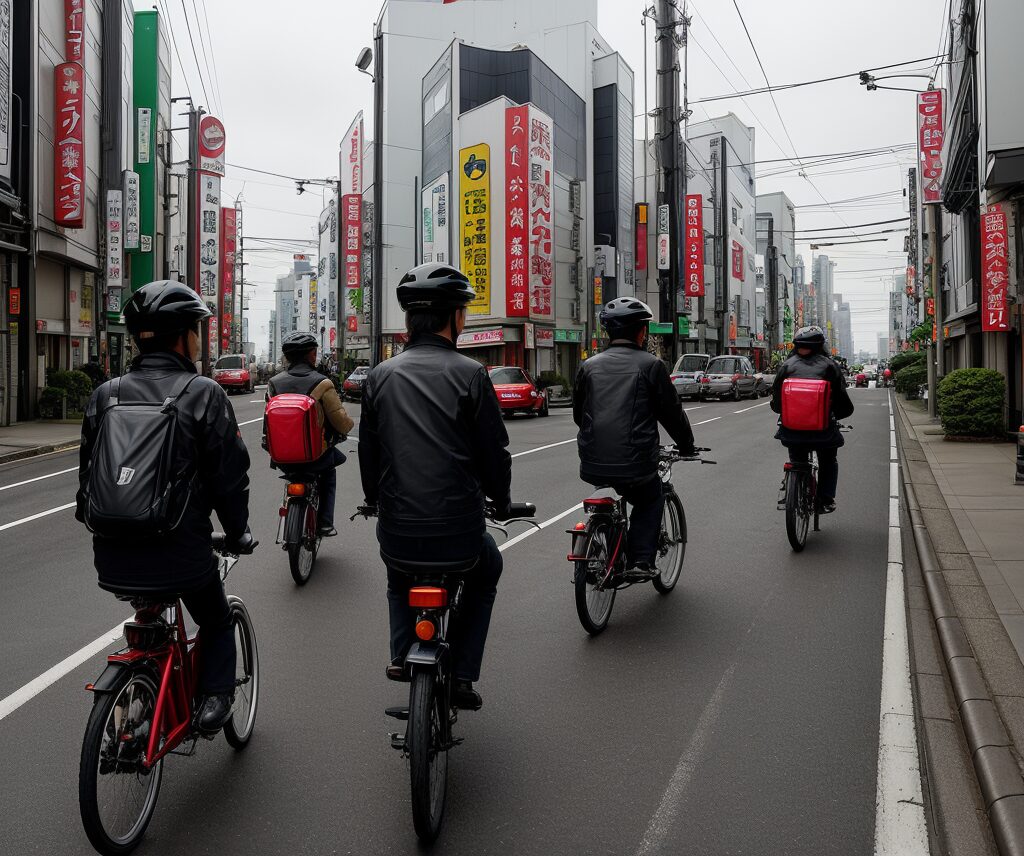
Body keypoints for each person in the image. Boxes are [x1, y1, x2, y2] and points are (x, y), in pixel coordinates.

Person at [76, 281, 255, 734]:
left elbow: (87, 486)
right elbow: (228, 479)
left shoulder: (106, 394)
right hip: (181, 556)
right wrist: (237, 533)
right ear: (182, 336)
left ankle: (136, 699)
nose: (198, 338)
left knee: (148, 604)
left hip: (112, 558)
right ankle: (215, 698)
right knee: (215, 618)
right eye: (196, 330)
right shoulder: (203, 393)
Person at [358, 263, 511, 711]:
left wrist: (374, 500)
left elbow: (370, 453)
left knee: (397, 574)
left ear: (409, 320)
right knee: (487, 570)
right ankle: (462, 673)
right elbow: (494, 454)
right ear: (455, 318)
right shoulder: (472, 374)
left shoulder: (380, 376)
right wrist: (499, 503)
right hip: (459, 531)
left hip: (399, 528)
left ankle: (401, 655)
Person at [573, 297, 697, 578]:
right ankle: (641, 560)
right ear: (642, 332)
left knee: (611, 488)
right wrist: (686, 445)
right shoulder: (651, 365)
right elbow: (672, 414)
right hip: (636, 463)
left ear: (608, 332)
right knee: (650, 496)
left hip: (592, 462)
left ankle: (602, 546)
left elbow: (579, 415)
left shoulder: (588, 367)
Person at [266, 331, 354, 536]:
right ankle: (325, 522)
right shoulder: (322, 383)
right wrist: (348, 427)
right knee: (329, 473)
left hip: (283, 456)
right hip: (316, 456)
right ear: (312, 355)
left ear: (287, 357)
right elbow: (339, 420)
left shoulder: (274, 383)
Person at [770, 325, 855, 514]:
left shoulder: (787, 366)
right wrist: (836, 416)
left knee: (797, 459)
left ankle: (792, 489)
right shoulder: (830, 366)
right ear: (820, 346)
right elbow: (843, 402)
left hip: (792, 432)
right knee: (828, 460)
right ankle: (825, 499)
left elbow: (776, 402)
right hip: (823, 432)